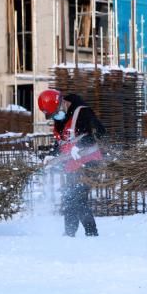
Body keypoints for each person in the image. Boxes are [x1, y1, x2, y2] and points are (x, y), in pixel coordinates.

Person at [38, 89, 105, 237]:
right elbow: (62, 142)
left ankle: (92, 234)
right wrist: (52, 155)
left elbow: (100, 132)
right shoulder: (60, 118)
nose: (55, 116)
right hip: (72, 165)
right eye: (52, 115)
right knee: (69, 199)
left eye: (56, 112)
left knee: (78, 197)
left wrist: (81, 146)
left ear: (63, 102)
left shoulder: (83, 112)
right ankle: (69, 235)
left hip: (90, 162)